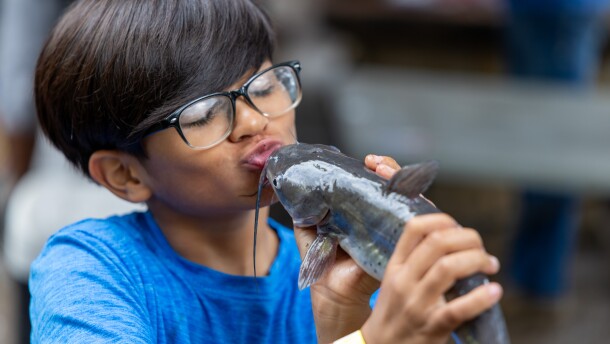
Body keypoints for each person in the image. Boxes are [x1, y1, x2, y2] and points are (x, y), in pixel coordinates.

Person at [29, 0, 503, 343]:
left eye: (265, 84)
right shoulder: (90, 270)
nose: (256, 121)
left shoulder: (364, 274)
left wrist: (344, 316)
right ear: (124, 174)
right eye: (202, 114)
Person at [505, 0, 609, 300]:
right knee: (534, 145)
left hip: (561, 13)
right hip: (534, 12)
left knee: (557, 148)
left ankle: (540, 287)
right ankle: (530, 279)